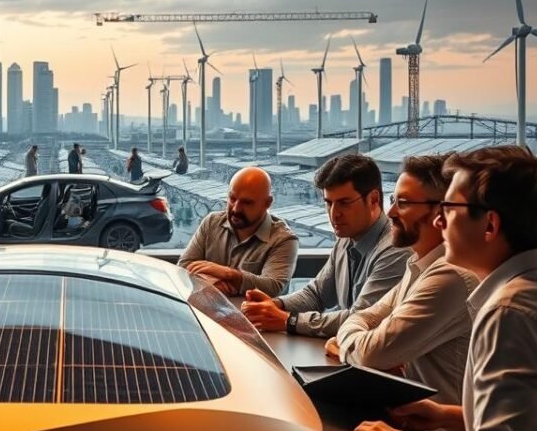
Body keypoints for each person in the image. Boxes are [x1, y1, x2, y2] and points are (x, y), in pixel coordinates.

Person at [349, 146, 537, 431]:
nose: (439, 221)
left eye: (450, 208)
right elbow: (536, 420)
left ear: (490, 225)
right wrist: (445, 414)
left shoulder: (510, 312)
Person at [325, 154, 477, 405]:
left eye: (403, 203)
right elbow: (363, 317)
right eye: (393, 199)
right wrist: (362, 345)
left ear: (442, 212)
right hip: (408, 416)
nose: (391, 211)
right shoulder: (418, 265)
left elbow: (372, 353)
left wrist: (345, 348)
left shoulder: (451, 276)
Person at [242, 153, 408, 338]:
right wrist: (275, 305)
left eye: (344, 203)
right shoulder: (346, 238)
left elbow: (361, 320)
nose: (334, 214)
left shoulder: (395, 250)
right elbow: (317, 294)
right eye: (328, 203)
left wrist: (287, 320)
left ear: (374, 200)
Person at [177, 167, 298, 297]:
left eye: (247, 202)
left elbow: (272, 286)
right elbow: (183, 267)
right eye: (232, 198)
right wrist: (212, 285)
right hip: (203, 310)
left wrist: (230, 274)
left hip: (249, 315)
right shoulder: (212, 222)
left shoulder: (284, 239)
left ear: (267, 203)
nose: (236, 208)